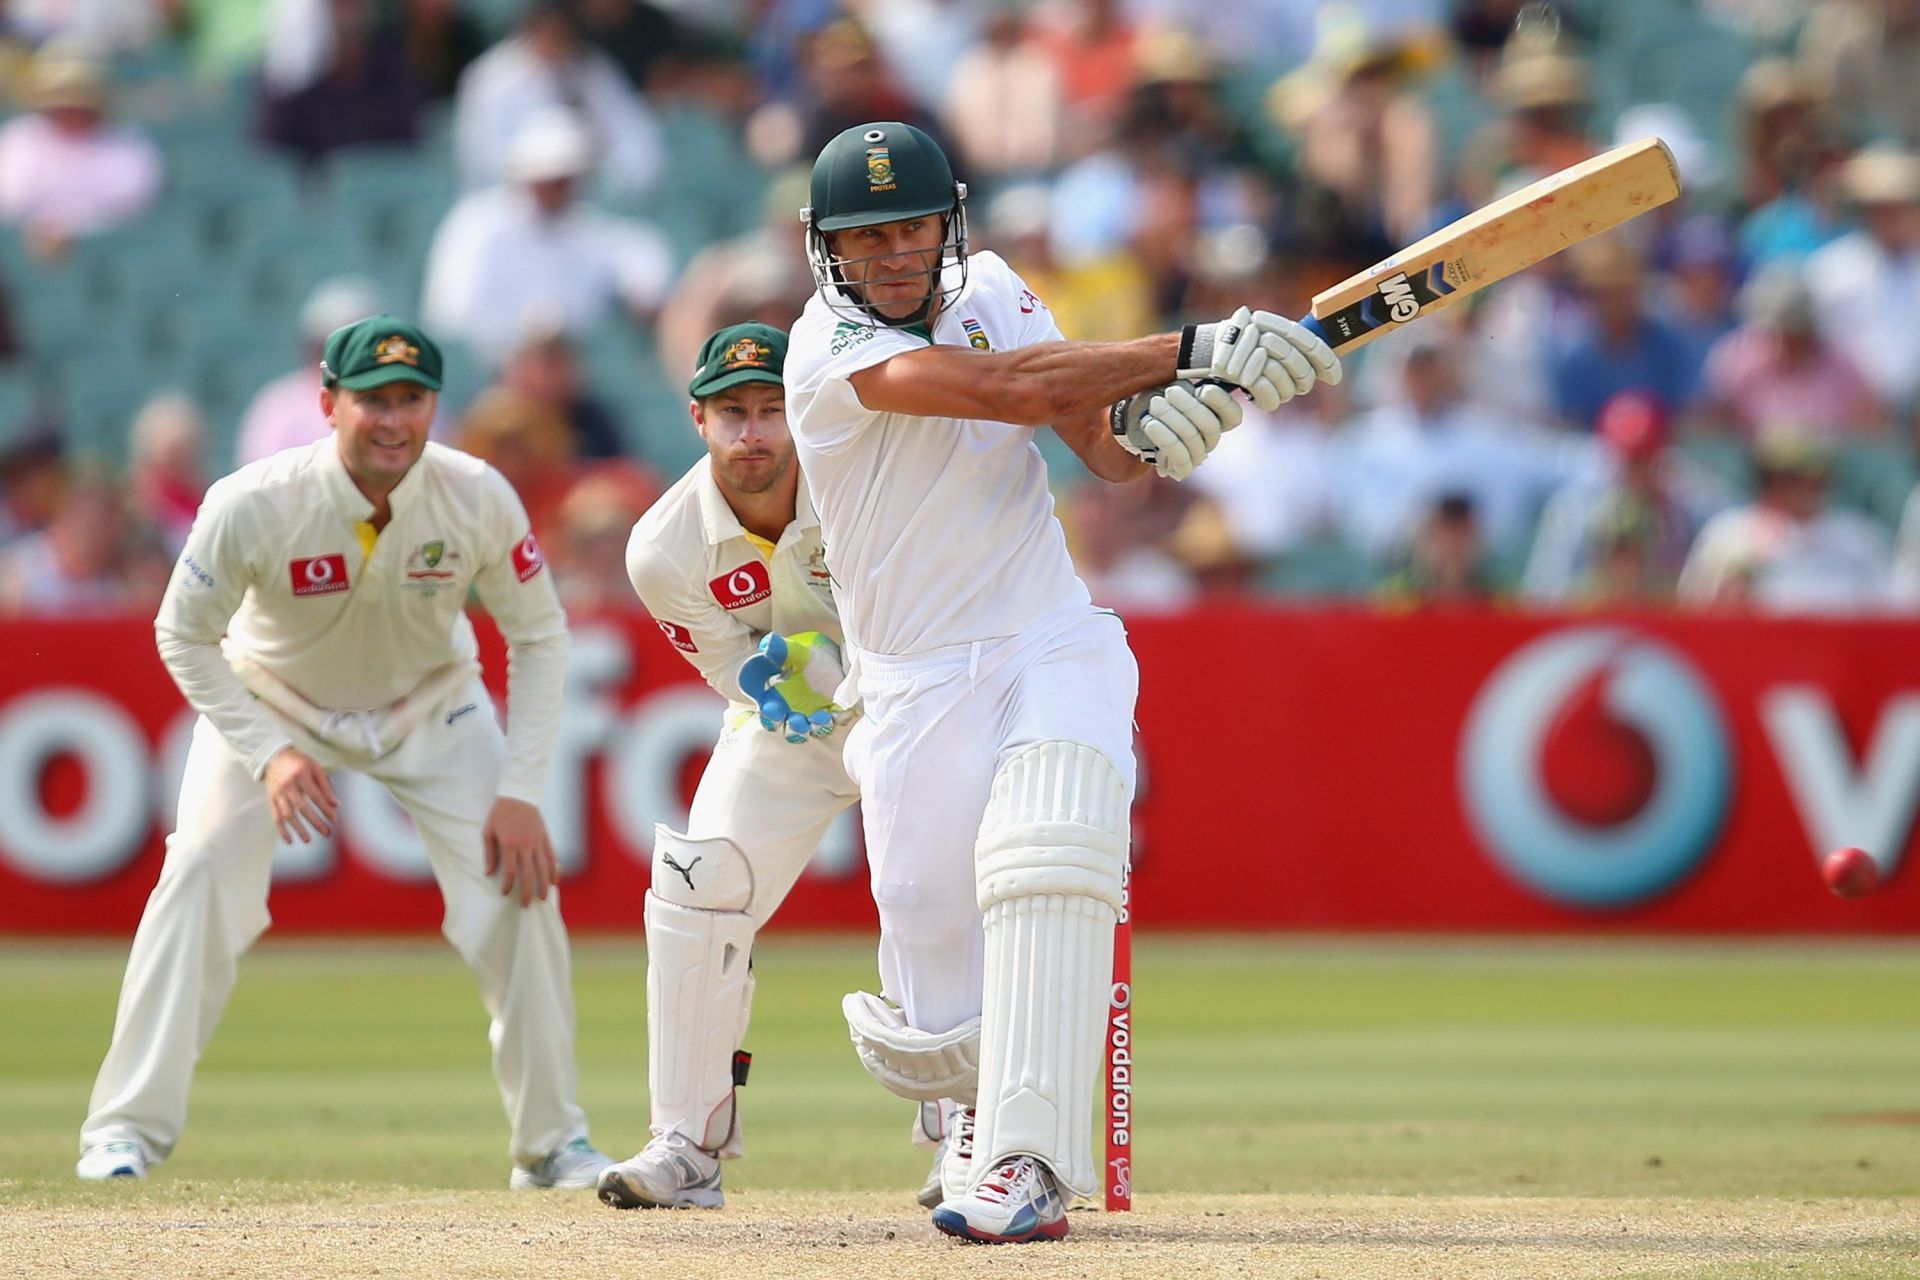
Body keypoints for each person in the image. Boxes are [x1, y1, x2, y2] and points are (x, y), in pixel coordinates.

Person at [782, 121, 1338, 1243]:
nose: (892, 253)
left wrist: (1185, 418)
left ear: (952, 223)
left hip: (1048, 637)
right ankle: (970, 1126)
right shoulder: (825, 346)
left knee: (1047, 858)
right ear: (825, 250)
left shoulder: (992, 286)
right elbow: (1012, 391)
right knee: (930, 931)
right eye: (865, 237)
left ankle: (1029, 1161)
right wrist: (1193, 346)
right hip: (908, 678)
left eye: (911, 228)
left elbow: (1104, 448)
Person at [76, 316, 612, 1191]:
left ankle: (551, 1145)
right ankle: (121, 1132)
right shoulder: (253, 499)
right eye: (371, 400)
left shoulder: (476, 493)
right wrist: (266, 752)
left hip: (430, 706)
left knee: (520, 898)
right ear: (329, 404)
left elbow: (541, 637)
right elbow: (183, 634)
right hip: (276, 703)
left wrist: (521, 788)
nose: (393, 420)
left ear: (435, 405)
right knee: (201, 870)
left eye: (411, 399)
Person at [599, 322, 881, 1209]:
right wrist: (783, 689)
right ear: (699, 419)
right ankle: (686, 1144)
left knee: (938, 891)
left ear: (798, 414)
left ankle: (964, 1138)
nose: (753, 434)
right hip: (792, 726)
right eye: (733, 414)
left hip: (906, 703)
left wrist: (850, 674)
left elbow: (923, 611)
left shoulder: (859, 486)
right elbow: (733, 668)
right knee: (695, 882)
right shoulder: (663, 547)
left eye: (770, 411)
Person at [421, 106, 675, 364]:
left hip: (571, 376)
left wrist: (645, 293)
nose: (558, 188)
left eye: (566, 178)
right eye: (548, 178)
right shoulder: (476, 224)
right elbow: (452, 318)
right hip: (495, 373)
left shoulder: (586, 229)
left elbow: (638, 254)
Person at [1678, 423, 1894, 614]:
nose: (1799, 487)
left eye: (1810, 476)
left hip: (1847, 654)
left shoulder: (1860, 538)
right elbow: (1694, 606)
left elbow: (1893, 611)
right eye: (1784, 477)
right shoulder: (1729, 535)